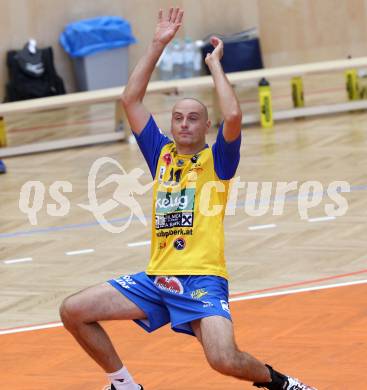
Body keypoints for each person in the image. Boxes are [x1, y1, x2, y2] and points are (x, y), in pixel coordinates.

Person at [60, 7, 317, 390]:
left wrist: (214, 65)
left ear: (205, 125)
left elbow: (233, 115)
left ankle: (279, 382)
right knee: (73, 310)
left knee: (224, 360)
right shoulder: (159, 153)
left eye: (193, 118)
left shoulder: (218, 161)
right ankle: (123, 384)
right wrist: (157, 44)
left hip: (201, 279)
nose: (183, 123)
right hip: (157, 279)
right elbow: (130, 99)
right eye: (178, 117)